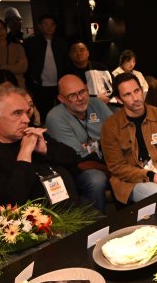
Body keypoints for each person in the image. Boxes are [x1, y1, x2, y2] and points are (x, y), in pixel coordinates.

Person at [0, 85, 81, 206]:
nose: (26, 119)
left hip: (76, 207)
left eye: (27, 112)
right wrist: (25, 154)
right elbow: (10, 201)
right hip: (39, 221)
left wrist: (46, 150)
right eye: (17, 113)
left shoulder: (32, 134)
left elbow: (74, 158)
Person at [101, 73, 157, 204]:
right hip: (131, 181)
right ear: (119, 100)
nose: (135, 98)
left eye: (136, 91)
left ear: (142, 90)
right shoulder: (110, 127)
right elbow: (117, 168)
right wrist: (151, 176)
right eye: (127, 95)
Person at [45, 74, 114, 212]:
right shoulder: (55, 117)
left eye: (82, 92)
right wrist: (102, 143)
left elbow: (118, 133)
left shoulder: (97, 104)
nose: (80, 98)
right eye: (72, 95)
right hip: (78, 169)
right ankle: (95, 224)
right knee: (96, 179)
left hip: (109, 159)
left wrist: (97, 145)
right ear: (61, 99)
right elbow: (78, 158)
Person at [24, 14, 69, 121]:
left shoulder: (61, 42)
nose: (49, 27)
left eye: (52, 24)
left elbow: (66, 63)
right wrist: (32, 78)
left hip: (60, 84)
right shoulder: (31, 43)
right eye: (45, 24)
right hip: (40, 85)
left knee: (64, 113)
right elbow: (28, 63)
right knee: (44, 114)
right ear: (40, 26)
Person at [66, 40, 113, 104]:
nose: (78, 53)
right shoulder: (67, 75)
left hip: (107, 102)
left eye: (81, 50)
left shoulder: (101, 68)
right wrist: (96, 99)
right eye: (74, 51)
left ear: (88, 53)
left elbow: (112, 86)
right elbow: (69, 96)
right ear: (70, 55)